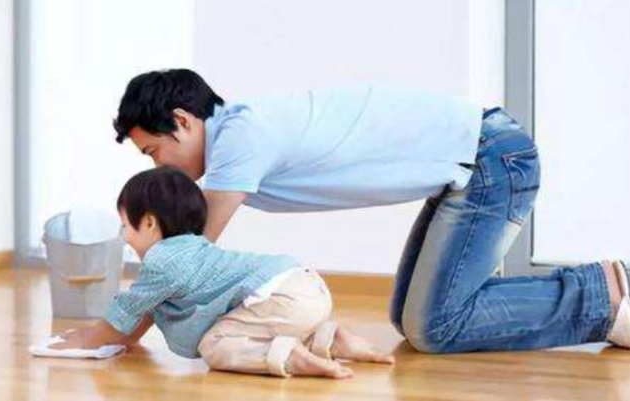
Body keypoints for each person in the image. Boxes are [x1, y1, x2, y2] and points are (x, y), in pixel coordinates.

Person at [112, 68, 630, 353]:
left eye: (154, 151)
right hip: (474, 163)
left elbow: (190, 257)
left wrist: (118, 334)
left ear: (183, 121)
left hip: (490, 159)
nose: (160, 168)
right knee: (409, 318)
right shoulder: (242, 131)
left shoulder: (239, 139)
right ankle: (600, 292)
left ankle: (601, 293)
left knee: (435, 325)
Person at [52, 166, 394, 378]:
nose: (124, 236)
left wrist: (89, 340)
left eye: (126, 225)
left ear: (150, 223)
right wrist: (123, 341)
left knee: (215, 345)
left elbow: (130, 308)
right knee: (256, 330)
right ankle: (330, 339)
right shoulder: (193, 252)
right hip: (303, 284)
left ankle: (292, 358)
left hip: (279, 295)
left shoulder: (163, 261)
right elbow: (147, 314)